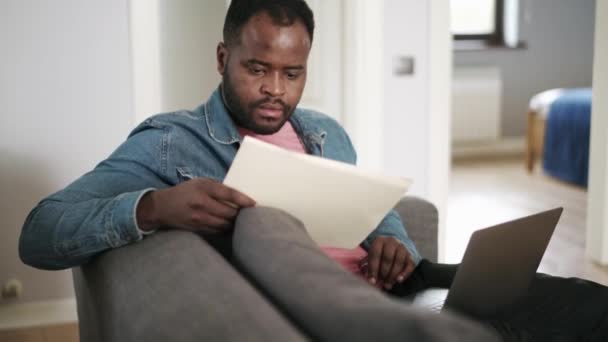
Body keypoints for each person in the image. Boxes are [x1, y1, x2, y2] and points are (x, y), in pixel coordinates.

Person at [19, 0, 608, 341]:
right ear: (223, 58)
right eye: (257, 68)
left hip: (403, 288)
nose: (276, 90)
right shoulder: (172, 141)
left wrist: (392, 242)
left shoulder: (325, 131)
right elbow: (41, 231)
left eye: (292, 72)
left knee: (582, 301)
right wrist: (151, 207)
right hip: (321, 307)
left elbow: (375, 215)